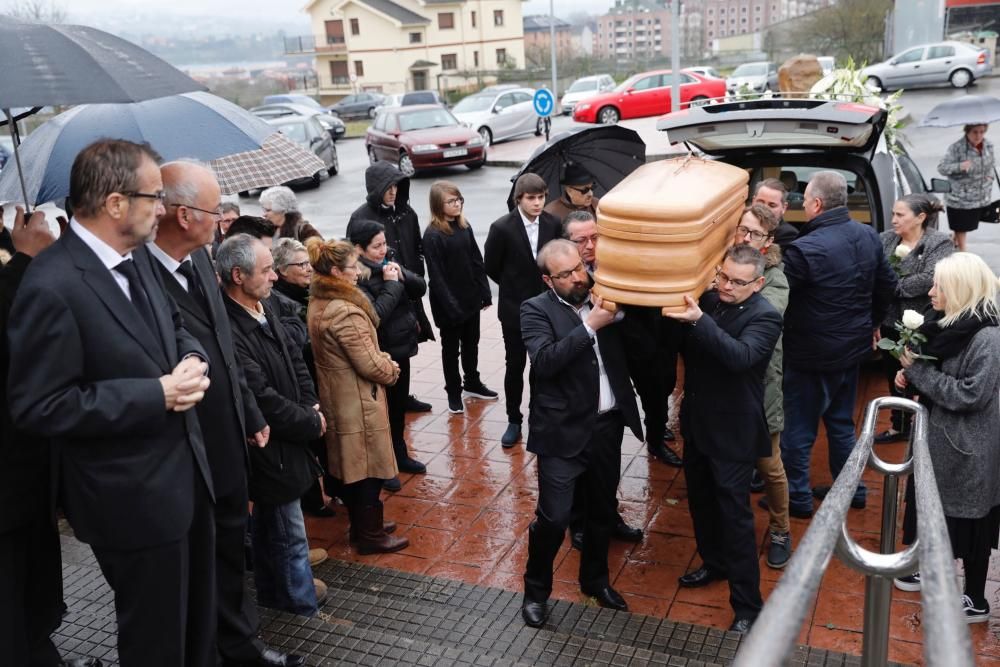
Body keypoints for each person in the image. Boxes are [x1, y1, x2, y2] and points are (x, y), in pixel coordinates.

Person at [7, 139, 216, 667]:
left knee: (192, 629)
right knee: (154, 642)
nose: (163, 209)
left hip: (185, 479)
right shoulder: (51, 283)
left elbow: (172, 326)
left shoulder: (139, 257)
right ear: (117, 203)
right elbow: (40, 406)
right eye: (155, 197)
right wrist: (155, 393)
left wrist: (192, 360)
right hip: (130, 501)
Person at [151, 162, 303, 667]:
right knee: (194, 566)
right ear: (181, 214)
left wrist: (253, 413)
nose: (223, 221)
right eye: (214, 211)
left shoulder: (202, 261)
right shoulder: (141, 275)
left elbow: (225, 350)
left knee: (229, 554)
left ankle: (241, 645)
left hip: (232, 437)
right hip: (185, 449)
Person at [519, 239, 643, 628]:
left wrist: (623, 316)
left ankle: (596, 582)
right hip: (562, 433)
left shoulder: (604, 298)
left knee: (603, 512)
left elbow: (641, 348)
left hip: (606, 427)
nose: (578, 277)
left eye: (579, 267)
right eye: (566, 274)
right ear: (547, 279)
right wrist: (590, 325)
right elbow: (546, 361)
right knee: (554, 519)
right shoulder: (534, 310)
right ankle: (535, 592)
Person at [1, 207, 103, 667]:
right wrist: (25, 260)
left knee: (35, 574)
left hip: (29, 455)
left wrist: (51, 258)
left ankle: (39, 646)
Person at [668, 244, 783, 634]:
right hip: (698, 423)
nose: (726, 286)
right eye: (722, 276)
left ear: (759, 283)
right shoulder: (709, 300)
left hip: (733, 432)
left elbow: (740, 357)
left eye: (736, 282)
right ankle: (713, 564)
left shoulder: (765, 317)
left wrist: (700, 320)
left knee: (735, 518)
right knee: (700, 503)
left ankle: (748, 606)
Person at [219, 234, 328, 617]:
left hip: (290, 438)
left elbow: (295, 360)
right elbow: (261, 396)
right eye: (265, 271)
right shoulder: (229, 331)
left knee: (275, 529)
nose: (274, 278)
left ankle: (278, 593)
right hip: (271, 448)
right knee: (288, 534)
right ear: (237, 275)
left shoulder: (263, 307)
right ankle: (299, 606)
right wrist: (310, 422)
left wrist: (310, 403)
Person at [780, 171, 896, 517]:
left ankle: (797, 499)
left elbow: (779, 299)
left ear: (815, 203)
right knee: (842, 424)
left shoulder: (803, 249)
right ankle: (853, 491)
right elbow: (888, 285)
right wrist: (872, 321)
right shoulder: (868, 235)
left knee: (798, 431)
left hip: (809, 356)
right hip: (852, 350)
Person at [895, 252, 1000, 622]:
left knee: (969, 521)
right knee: (935, 509)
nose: (932, 290)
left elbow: (971, 394)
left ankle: (975, 600)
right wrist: (908, 377)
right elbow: (935, 372)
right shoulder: (945, 324)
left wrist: (918, 373)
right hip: (942, 441)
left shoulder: (987, 338)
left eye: (939, 284)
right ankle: (929, 568)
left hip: (967, 448)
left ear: (959, 289)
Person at [306, 238, 410, 554]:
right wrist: (390, 368)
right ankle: (370, 535)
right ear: (336, 271)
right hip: (358, 402)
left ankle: (366, 526)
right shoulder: (344, 312)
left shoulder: (320, 300)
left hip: (340, 397)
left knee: (355, 466)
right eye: (353, 267)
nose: (359, 272)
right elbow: (369, 362)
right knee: (367, 470)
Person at [561, 211, 646, 549]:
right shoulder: (558, 283)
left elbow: (633, 326)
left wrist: (618, 308)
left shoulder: (611, 273)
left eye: (594, 237)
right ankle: (578, 522)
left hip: (610, 388)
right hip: (576, 397)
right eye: (581, 240)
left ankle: (608, 516)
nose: (590, 246)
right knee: (579, 468)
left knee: (608, 464)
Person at [733, 204, 793, 569]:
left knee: (769, 465)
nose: (745, 237)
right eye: (742, 229)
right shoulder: (727, 263)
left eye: (753, 233)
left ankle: (781, 530)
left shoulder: (776, 279)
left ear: (768, 241)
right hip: (728, 384)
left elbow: (761, 318)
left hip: (762, 384)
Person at [347, 162, 434, 413]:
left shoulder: (407, 212)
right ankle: (393, 400)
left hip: (404, 283)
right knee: (389, 347)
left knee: (407, 341)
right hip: (378, 289)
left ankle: (403, 396)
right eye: (388, 186)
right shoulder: (361, 217)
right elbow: (354, 257)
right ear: (376, 188)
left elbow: (417, 247)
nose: (393, 191)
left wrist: (413, 274)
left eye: (397, 185)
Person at [484, 173, 562, 447]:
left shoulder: (553, 223)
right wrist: (513, 286)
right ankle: (513, 419)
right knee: (514, 364)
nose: (538, 203)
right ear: (519, 198)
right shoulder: (501, 228)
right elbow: (491, 266)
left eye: (541, 197)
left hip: (546, 308)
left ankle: (539, 417)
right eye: (531, 198)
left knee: (543, 364)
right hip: (514, 309)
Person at [349, 220, 427, 490]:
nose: (383, 250)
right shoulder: (357, 276)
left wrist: (402, 276)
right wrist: (392, 284)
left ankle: (400, 454)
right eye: (376, 246)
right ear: (358, 249)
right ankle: (384, 467)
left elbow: (420, 287)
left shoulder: (387, 263)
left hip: (401, 347)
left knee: (397, 409)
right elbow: (376, 314)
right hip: (379, 352)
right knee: (380, 412)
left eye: (384, 243)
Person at [875, 195, 953, 444]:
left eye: (900, 215)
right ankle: (899, 425)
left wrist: (893, 286)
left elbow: (931, 277)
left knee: (921, 373)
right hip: (890, 322)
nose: (893, 219)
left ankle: (926, 427)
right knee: (893, 375)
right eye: (893, 214)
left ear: (920, 217)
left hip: (924, 323)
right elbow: (874, 275)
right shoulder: (885, 240)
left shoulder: (938, 243)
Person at [422, 180, 497, 414]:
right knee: (450, 350)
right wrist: (452, 307)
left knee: (471, 344)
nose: (457, 204)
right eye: (451, 201)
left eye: (459, 200)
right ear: (438, 204)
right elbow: (436, 277)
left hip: (469, 299)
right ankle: (453, 392)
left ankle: (472, 382)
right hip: (448, 305)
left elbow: (476, 259)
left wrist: (484, 292)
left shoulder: (464, 227)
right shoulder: (433, 235)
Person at [938, 124, 996, 251]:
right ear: (967, 131)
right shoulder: (956, 148)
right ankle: (964, 253)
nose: (979, 136)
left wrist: (989, 177)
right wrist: (959, 166)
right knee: (961, 225)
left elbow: (992, 164)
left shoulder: (989, 146)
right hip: (960, 198)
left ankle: (955, 239)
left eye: (982, 132)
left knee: (969, 223)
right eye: (975, 132)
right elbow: (942, 168)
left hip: (981, 196)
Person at [751, 178, 799, 250]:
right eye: (760, 202)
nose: (764, 208)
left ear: (783, 208)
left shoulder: (788, 235)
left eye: (772, 205)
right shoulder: (741, 222)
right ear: (753, 201)